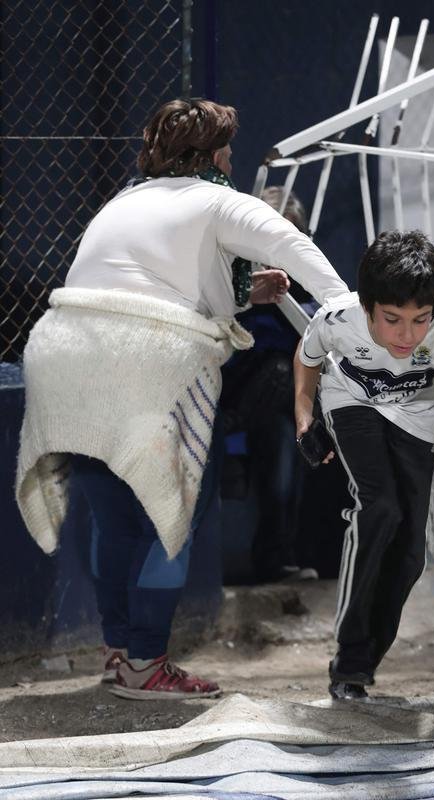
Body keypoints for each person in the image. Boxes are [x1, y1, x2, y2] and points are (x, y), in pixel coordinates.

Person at [15, 97, 349, 700]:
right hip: (145, 372)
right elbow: (293, 246)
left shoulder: (124, 201)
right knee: (171, 523)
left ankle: (121, 651)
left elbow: (157, 286)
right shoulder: (217, 198)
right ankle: (148, 664)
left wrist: (246, 293)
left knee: (115, 523)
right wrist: (352, 318)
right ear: (218, 153)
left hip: (65, 362)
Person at [294, 230, 434, 700]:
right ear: (367, 307)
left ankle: (361, 663)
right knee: (380, 508)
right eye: (392, 320)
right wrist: (303, 416)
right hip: (351, 400)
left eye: (420, 320)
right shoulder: (337, 319)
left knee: (411, 556)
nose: (407, 335)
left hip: (417, 414)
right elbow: (307, 359)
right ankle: (351, 659)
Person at [220, 187, 318, 583]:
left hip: (279, 402)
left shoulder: (306, 277)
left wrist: (290, 302)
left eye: (286, 239)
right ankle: (227, 428)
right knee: (279, 372)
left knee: (288, 436)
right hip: (231, 389)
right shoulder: (232, 271)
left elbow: (325, 318)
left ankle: (276, 559)